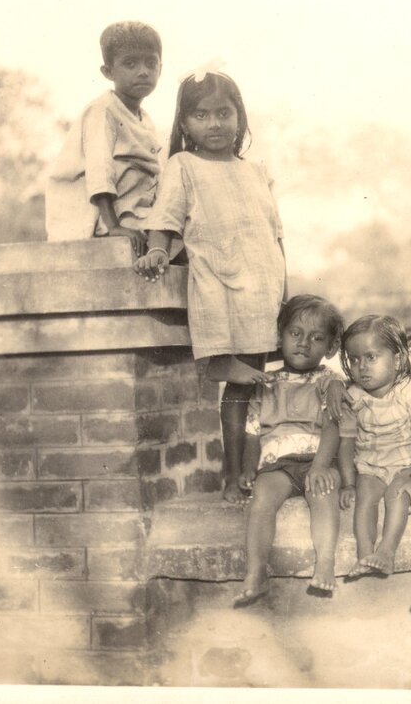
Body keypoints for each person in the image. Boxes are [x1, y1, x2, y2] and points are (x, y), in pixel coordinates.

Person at [135, 69, 287, 504]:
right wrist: (159, 251)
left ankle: (243, 473)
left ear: (240, 118)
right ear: (184, 123)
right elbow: (165, 217)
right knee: (229, 370)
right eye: (201, 115)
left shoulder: (256, 171)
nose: (215, 123)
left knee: (250, 386)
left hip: (261, 283)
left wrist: (283, 285)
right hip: (218, 279)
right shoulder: (183, 165)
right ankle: (228, 471)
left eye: (224, 113)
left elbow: (276, 232)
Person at [232, 295, 349, 606]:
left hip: (316, 460)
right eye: (295, 334)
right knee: (262, 500)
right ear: (279, 336)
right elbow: (252, 433)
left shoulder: (329, 382)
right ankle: (256, 571)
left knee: (324, 496)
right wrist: (248, 467)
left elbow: (333, 427)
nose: (304, 343)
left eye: (316, 338)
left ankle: (325, 562)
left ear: (330, 347)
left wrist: (322, 466)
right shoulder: (266, 382)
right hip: (277, 465)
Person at [46, 21, 164, 249]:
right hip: (96, 220)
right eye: (130, 63)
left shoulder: (145, 119)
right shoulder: (103, 110)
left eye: (151, 63)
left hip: (133, 213)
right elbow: (100, 170)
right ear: (108, 71)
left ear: (161, 68)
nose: (143, 71)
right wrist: (114, 227)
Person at [337, 315, 411, 578]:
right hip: (370, 465)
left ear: (398, 359)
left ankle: (387, 551)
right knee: (364, 498)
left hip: (406, 463)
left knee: (397, 496)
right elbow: (346, 442)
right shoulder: (355, 396)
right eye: (354, 359)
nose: (361, 367)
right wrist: (348, 483)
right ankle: (364, 554)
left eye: (371, 357)